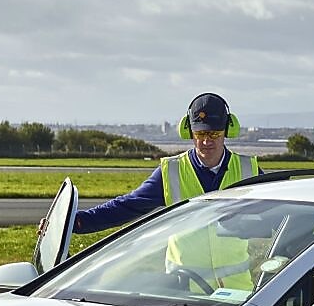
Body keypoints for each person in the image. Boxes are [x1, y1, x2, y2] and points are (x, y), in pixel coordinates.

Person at [58, 93, 262, 289]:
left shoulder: (248, 170)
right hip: (183, 292)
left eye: (214, 134)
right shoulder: (171, 171)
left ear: (228, 130)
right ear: (188, 132)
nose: (207, 141)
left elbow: (277, 215)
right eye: (200, 134)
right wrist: (72, 222)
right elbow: (127, 206)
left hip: (238, 294)